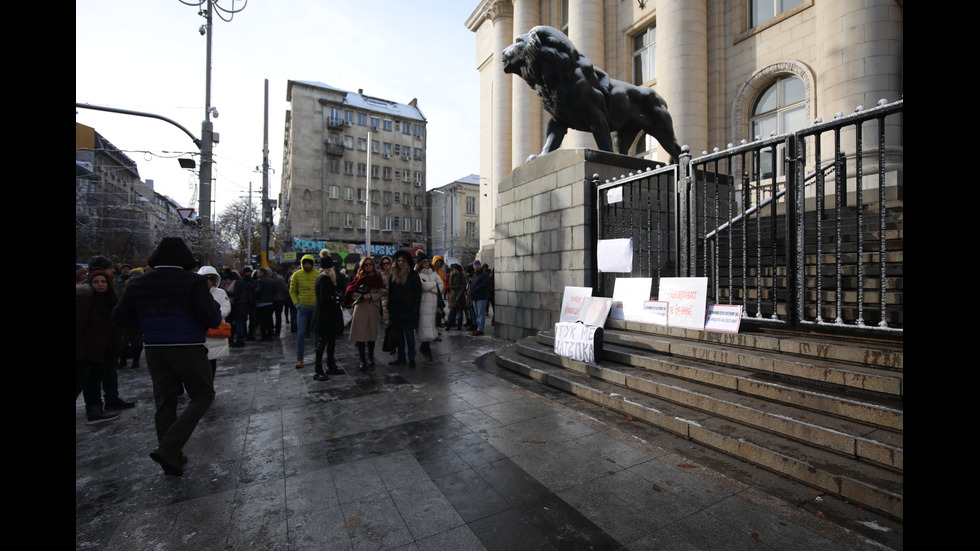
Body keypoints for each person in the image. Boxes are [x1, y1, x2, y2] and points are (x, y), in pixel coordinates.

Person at [112, 237, 221, 476]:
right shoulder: (193, 282)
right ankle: (169, 447)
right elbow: (212, 318)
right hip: (188, 347)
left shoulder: (138, 283)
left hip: (154, 349)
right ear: (185, 259)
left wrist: (148, 325)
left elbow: (120, 316)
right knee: (203, 394)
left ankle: (173, 456)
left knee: (165, 402)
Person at [76, 270, 123, 424]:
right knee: (81, 380)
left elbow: (113, 326)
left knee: (93, 380)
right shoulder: (85, 300)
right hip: (87, 349)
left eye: (103, 281)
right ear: (91, 283)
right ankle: (94, 410)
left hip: (100, 349)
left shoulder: (110, 300)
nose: (100, 284)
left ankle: (94, 410)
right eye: (96, 282)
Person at [344, 256, 384, 371]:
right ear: (362, 266)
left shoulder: (377, 277)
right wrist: (361, 296)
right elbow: (350, 291)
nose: (368, 266)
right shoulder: (357, 277)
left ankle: (371, 357)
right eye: (366, 264)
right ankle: (362, 360)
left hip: (373, 306)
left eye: (370, 264)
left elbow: (381, 292)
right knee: (360, 335)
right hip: (361, 306)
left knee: (371, 334)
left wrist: (372, 296)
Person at [312, 249, 346, 380]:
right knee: (323, 342)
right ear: (330, 269)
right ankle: (318, 369)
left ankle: (331, 365)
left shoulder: (323, 278)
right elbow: (325, 298)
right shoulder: (324, 279)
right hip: (325, 317)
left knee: (331, 341)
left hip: (328, 316)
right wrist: (337, 299)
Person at [385, 250, 422, 368]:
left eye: (402, 261)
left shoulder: (413, 274)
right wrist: (389, 309)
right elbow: (391, 293)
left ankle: (411, 358)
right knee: (398, 336)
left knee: (410, 335)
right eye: (399, 260)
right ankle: (401, 357)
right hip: (396, 310)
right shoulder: (393, 274)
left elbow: (418, 293)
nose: (400, 263)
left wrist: (415, 308)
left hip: (409, 310)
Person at [198, 266, 232, 377]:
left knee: (211, 361)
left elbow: (226, 308)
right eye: (205, 278)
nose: (208, 281)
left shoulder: (220, 293)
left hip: (214, 330)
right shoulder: (194, 292)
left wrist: (214, 317)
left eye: (211, 278)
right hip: (198, 330)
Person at [290, 255, 320, 368]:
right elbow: (292, 291)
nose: (307, 265)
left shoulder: (317, 275)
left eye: (309, 263)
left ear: (312, 264)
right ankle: (299, 358)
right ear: (302, 264)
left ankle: (318, 353)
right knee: (301, 333)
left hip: (315, 308)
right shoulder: (296, 275)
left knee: (317, 332)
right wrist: (296, 304)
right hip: (302, 308)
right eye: (305, 263)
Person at [415, 253, 443, 364]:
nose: (426, 263)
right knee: (426, 331)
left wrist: (430, 286)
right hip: (423, 306)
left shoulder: (434, 273)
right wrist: (433, 285)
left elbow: (441, 286)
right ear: (420, 263)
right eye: (424, 262)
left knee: (430, 330)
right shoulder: (417, 274)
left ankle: (423, 349)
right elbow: (422, 286)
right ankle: (429, 355)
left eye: (427, 261)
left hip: (433, 306)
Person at [118, 268, 144, 369]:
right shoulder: (124, 286)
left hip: (137, 319)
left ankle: (135, 360)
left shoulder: (144, 288)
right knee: (123, 343)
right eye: (132, 275)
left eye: (136, 275)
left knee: (137, 344)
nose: (133, 277)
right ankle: (123, 360)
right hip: (126, 319)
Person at [221, 269, 247, 348]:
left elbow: (236, 293)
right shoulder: (228, 285)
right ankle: (231, 338)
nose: (226, 281)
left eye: (227, 279)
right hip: (231, 307)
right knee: (229, 323)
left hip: (237, 307)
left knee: (238, 323)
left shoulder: (237, 283)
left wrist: (225, 292)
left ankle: (240, 339)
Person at [252, 268, 277, 341]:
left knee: (262, 321)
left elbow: (257, 292)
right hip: (270, 302)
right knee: (269, 319)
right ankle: (270, 334)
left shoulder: (260, 281)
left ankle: (264, 336)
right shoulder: (272, 281)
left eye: (258, 272)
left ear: (262, 273)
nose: (257, 274)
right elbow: (275, 291)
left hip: (261, 304)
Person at [469, 260, 490, 336]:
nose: (476, 266)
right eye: (475, 265)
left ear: (480, 266)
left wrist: (476, 288)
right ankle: (478, 328)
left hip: (481, 297)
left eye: (477, 265)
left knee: (481, 314)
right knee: (477, 313)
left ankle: (480, 329)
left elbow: (485, 284)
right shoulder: (475, 274)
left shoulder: (484, 274)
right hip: (475, 297)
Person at [446, 264, 467, 331]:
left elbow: (463, 286)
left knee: (460, 312)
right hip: (453, 296)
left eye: (456, 269)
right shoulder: (452, 275)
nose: (454, 271)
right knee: (451, 312)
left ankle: (459, 325)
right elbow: (451, 285)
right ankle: (449, 324)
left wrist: (459, 288)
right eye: (454, 269)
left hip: (460, 297)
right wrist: (458, 286)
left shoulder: (462, 276)